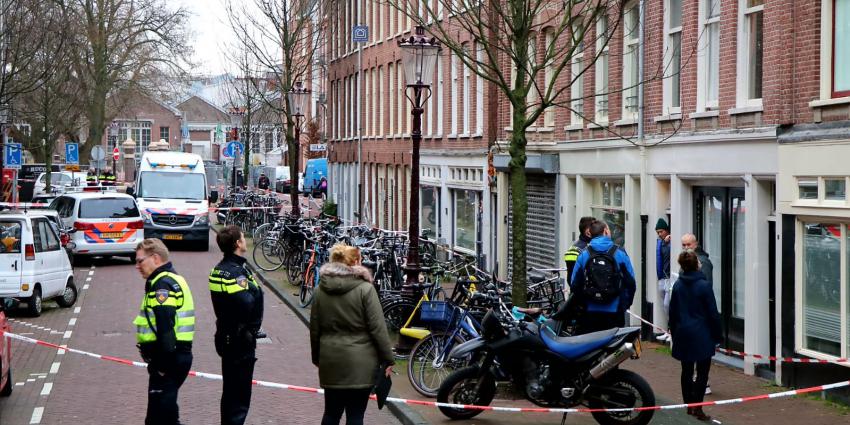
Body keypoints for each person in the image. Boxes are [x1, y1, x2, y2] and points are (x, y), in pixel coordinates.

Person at [310, 244, 395, 425]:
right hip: (360, 363)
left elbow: (315, 329)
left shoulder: (320, 290)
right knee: (356, 416)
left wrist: (318, 358)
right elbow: (378, 328)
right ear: (355, 262)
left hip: (331, 361)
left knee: (331, 413)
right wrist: (388, 358)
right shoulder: (365, 289)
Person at [132, 239, 194, 425]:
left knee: (158, 417)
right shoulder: (173, 279)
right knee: (164, 412)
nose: (137, 266)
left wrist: (162, 365)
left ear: (156, 258)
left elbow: (165, 324)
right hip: (175, 357)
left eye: (140, 261)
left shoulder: (162, 286)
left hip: (168, 359)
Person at [209, 226, 264, 425]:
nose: (245, 241)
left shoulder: (218, 270)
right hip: (240, 340)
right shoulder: (236, 273)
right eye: (243, 238)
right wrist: (254, 290)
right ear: (237, 244)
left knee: (230, 392)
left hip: (226, 336)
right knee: (239, 397)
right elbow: (247, 302)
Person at [668, 250, 722, 422]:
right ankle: (697, 407)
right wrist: (717, 335)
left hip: (683, 333)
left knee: (686, 370)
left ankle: (688, 405)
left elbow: (673, 312)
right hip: (702, 334)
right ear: (697, 265)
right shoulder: (704, 286)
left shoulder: (678, 285)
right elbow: (713, 313)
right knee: (702, 373)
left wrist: (674, 331)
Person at [570, 220, 637, 333]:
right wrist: (625, 304)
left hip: (589, 310)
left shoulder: (584, 254)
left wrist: (582, 304)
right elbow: (631, 282)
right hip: (614, 309)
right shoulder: (619, 253)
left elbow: (574, 284)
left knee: (591, 347)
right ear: (605, 231)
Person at [680, 233, 715, 395]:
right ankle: (691, 402)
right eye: (683, 245)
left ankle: (701, 389)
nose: (686, 248)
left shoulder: (704, 263)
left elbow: (707, 292)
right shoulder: (686, 263)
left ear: (696, 244)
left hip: (698, 318)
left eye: (689, 244)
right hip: (688, 318)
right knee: (688, 365)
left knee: (700, 360)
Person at [564, 216, 596, 284]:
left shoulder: (594, 246)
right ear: (588, 232)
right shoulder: (574, 251)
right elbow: (572, 280)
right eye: (595, 228)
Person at [655, 218, 672, 341]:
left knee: (667, 304)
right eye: (658, 232)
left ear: (666, 230)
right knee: (664, 305)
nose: (660, 234)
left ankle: (671, 331)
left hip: (670, 278)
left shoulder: (671, 241)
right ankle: (668, 331)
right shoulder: (659, 242)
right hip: (662, 277)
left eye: (661, 231)